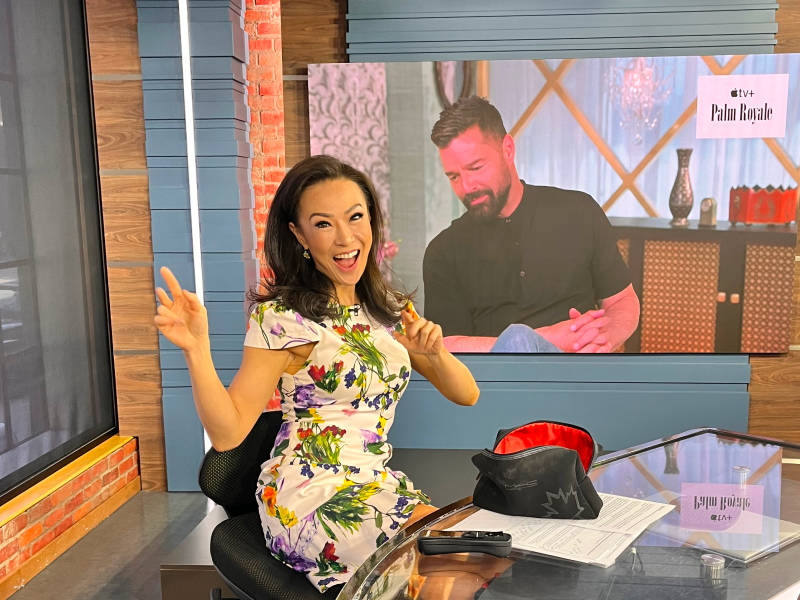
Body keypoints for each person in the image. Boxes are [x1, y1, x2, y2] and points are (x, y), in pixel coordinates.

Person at [153, 155, 480, 594]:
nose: (345, 238)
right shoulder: (282, 319)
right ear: (299, 234)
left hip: (375, 485)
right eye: (323, 224)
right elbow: (230, 434)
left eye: (355, 217)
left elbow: (467, 394)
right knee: (436, 575)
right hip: (309, 495)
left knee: (469, 561)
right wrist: (197, 351)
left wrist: (435, 354)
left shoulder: (386, 309)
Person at [424, 95, 640, 353]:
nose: (466, 187)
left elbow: (623, 301)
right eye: (454, 176)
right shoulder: (443, 252)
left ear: (508, 150)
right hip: (496, 387)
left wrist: (603, 338)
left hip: (579, 377)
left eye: (476, 168)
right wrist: (548, 339)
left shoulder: (579, 212)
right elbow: (445, 347)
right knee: (517, 338)